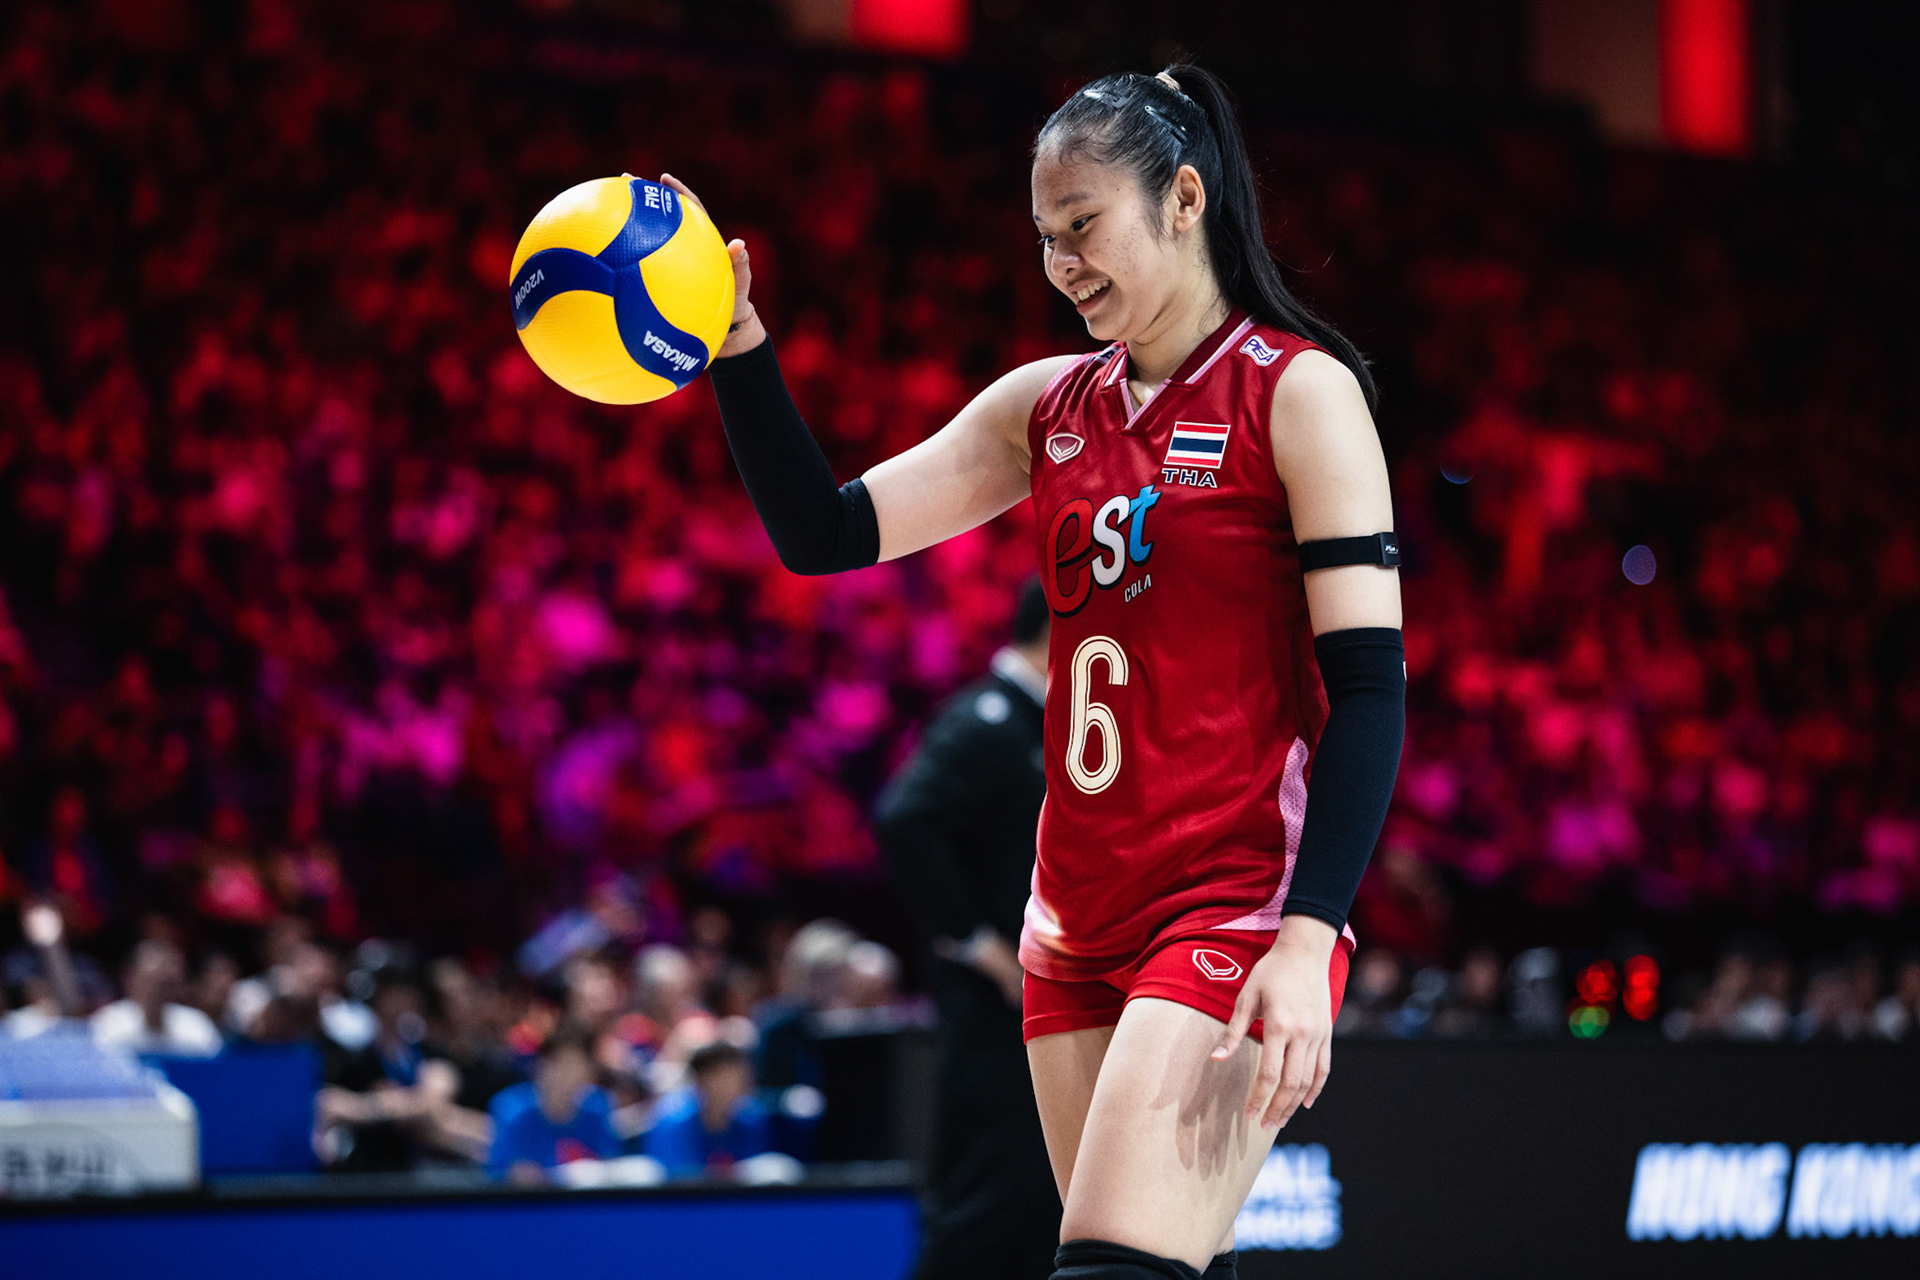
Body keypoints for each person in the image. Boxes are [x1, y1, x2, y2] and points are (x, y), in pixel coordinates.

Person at [680, 60, 1405, 1280]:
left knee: (1112, 1269)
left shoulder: (1300, 393)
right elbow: (825, 532)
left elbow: (1373, 695)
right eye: (1045, 237)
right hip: (1069, 919)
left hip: (1226, 899)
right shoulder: (1047, 406)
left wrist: (1307, 934)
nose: (1063, 263)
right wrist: (742, 350)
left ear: (1184, 199)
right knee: (1161, 1266)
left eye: (1084, 227)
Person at [875, 576, 1059, 1279]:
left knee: (1038, 1208)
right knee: (984, 1207)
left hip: (1035, 1014)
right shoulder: (986, 720)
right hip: (991, 1020)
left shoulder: (1038, 720)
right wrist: (986, 951)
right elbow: (905, 820)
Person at [486, 1023, 620, 1183]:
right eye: (557, 1062)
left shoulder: (598, 1108)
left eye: (573, 1065)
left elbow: (609, 1168)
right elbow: (500, 1173)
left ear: (588, 1072)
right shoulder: (511, 1110)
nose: (563, 1074)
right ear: (540, 1065)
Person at [644, 1038, 774, 1177]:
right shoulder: (672, 1121)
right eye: (724, 1075)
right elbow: (676, 1179)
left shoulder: (751, 1120)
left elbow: (753, 1178)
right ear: (702, 1078)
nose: (738, 1082)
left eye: (740, 1074)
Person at [91, 938, 224, 1057]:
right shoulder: (108, 1024)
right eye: (153, 979)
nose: (159, 989)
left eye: (166, 981)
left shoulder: (196, 1025)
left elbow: (218, 1072)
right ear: (130, 978)